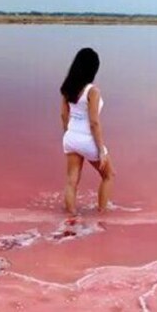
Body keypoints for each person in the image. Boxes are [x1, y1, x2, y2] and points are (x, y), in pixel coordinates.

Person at [60, 47, 115, 215]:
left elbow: (63, 115)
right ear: (93, 69)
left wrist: (68, 135)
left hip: (70, 137)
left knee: (72, 181)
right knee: (109, 175)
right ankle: (102, 213)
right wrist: (101, 150)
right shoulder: (93, 91)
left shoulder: (68, 88)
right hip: (87, 139)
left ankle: (71, 216)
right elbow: (94, 123)